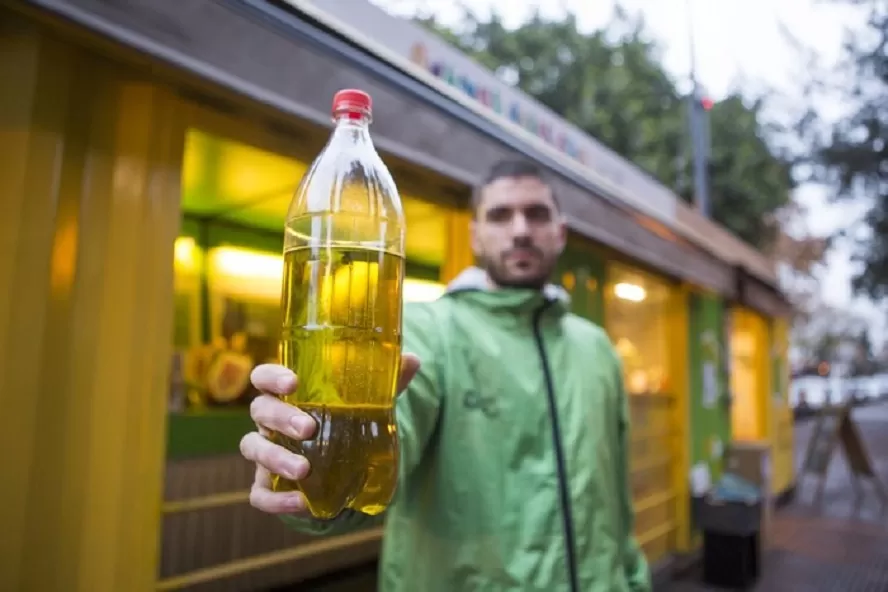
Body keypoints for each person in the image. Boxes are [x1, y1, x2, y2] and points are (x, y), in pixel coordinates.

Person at [240, 159, 652, 591]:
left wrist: (635, 581)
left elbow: (616, 503)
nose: (520, 229)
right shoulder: (424, 332)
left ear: (560, 232)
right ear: (474, 235)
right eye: (500, 215)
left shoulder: (596, 349)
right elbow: (391, 438)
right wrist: (312, 465)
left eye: (536, 213)